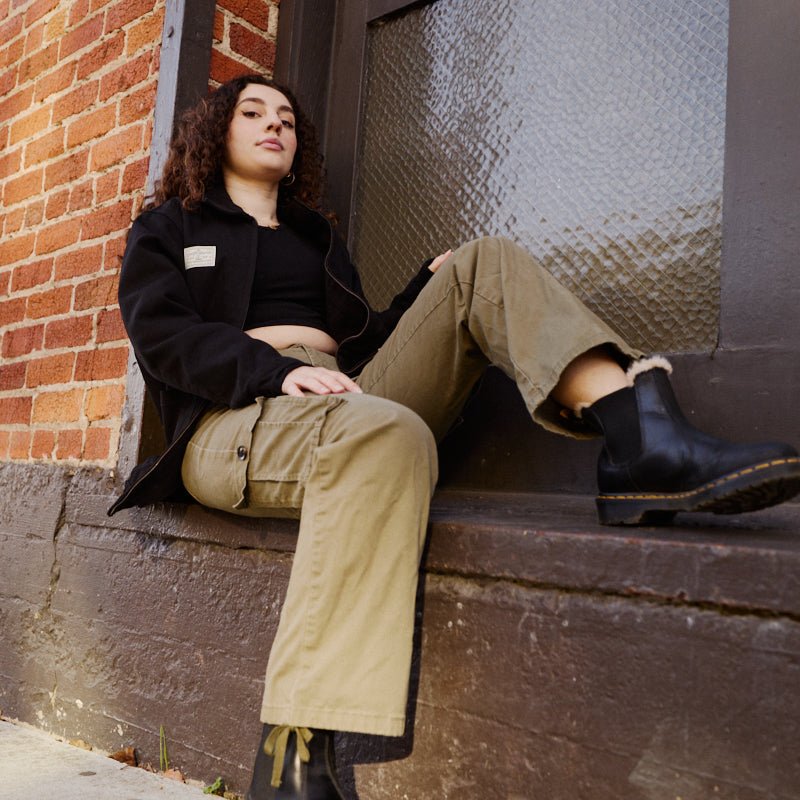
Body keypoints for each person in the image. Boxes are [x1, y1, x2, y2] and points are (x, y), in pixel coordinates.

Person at [109, 74, 800, 799]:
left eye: (286, 116)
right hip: (235, 416)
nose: (274, 124)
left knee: (482, 263)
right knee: (387, 434)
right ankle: (291, 760)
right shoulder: (170, 228)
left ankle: (638, 441)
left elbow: (366, 345)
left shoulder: (319, 241)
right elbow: (161, 336)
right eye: (252, 113)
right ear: (216, 131)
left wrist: (423, 293)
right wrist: (271, 372)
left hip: (344, 396)